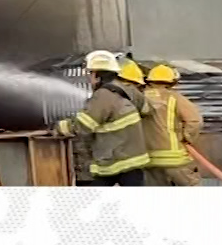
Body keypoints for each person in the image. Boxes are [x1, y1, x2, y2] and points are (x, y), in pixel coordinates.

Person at [55, 50, 151, 186]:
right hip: (134, 159)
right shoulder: (128, 89)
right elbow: (147, 109)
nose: (89, 78)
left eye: (90, 73)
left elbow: (83, 126)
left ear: (98, 75)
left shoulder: (102, 96)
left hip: (114, 161)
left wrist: (59, 127)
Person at [142, 64, 203, 186]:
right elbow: (195, 121)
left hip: (148, 160)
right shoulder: (174, 98)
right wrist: (187, 138)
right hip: (175, 160)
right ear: (172, 82)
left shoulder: (139, 98)